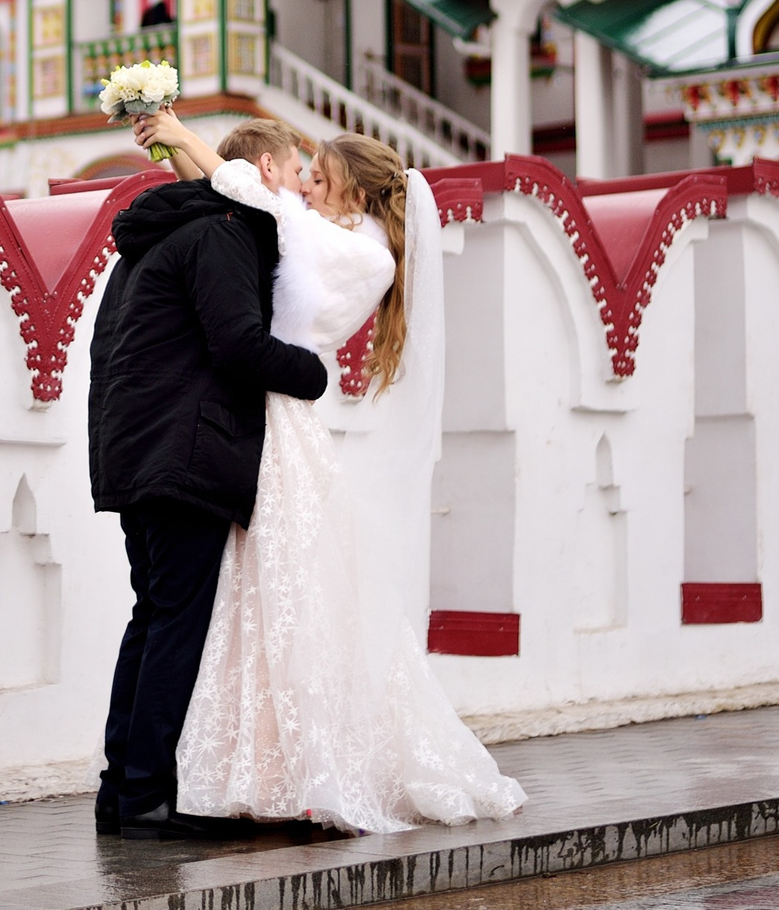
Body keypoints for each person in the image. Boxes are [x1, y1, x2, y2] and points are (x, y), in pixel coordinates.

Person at [134, 109, 526, 834]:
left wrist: (177, 129)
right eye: (306, 175)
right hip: (261, 413)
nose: (306, 185)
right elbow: (238, 198)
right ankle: (254, 766)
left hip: (279, 422)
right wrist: (172, 148)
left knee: (279, 593)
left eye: (321, 177)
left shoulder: (364, 256)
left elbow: (248, 192)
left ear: (356, 190)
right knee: (253, 597)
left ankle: (298, 768)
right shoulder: (328, 238)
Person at [87, 118, 332, 840]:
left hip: (137, 453)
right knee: (175, 626)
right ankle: (144, 796)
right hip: (186, 453)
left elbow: (110, 351)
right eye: (293, 175)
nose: (297, 194)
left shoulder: (149, 239)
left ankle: (120, 790)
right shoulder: (224, 230)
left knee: (152, 616)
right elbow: (237, 343)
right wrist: (311, 372)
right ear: (260, 168)